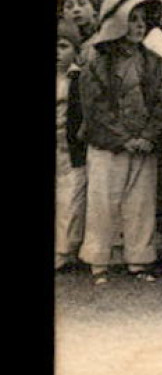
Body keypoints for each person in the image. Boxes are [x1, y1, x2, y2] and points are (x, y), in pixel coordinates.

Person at [77, 0, 162, 286]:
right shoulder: (98, 62)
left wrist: (147, 136)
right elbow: (95, 106)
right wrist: (123, 137)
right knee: (103, 201)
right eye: (132, 19)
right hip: (108, 146)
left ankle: (139, 259)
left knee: (140, 202)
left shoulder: (154, 62)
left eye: (143, 20)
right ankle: (98, 260)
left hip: (143, 146)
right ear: (116, 23)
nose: (138, 26)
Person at [56, 21, 87, 272]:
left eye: (63, 46)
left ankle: (65, 251)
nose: (58, 52)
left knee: (70, 198)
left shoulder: (78, 78)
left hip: (70, 147)